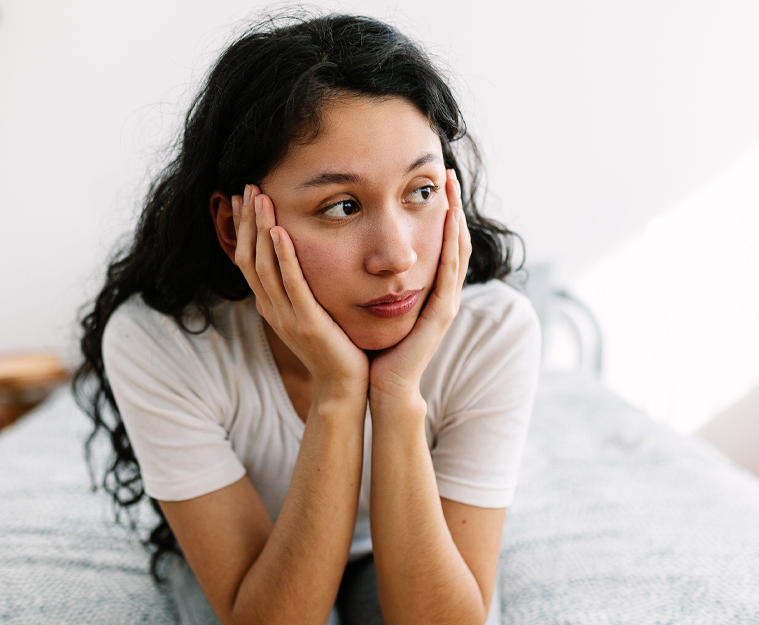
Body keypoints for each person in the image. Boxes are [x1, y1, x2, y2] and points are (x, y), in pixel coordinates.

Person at [73, 12, 541, 625]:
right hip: (259, 554)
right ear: (235, 226)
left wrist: (397, 393)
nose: (397, 256)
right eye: (341, 206)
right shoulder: (161, 341)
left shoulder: (492, 332)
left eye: (421, 191)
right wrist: (339, 392)